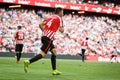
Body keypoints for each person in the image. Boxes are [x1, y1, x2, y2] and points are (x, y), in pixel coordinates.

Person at [24, 7, 64, 75]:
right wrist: (60, 29)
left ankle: (54, 70)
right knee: (42, 55)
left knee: (54, 52)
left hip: (44, 37)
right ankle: (28, 61)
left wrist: (45, 31)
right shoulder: (59, 18)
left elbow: (40, 24)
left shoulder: (50, 17)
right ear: (60, 12)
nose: (63, 13)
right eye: (62, 12)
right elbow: (62, 30)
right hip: (48, 38)